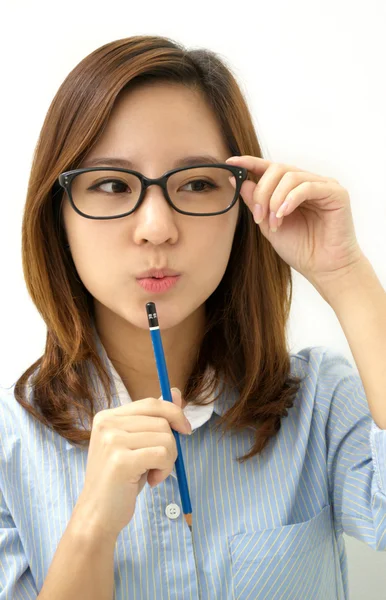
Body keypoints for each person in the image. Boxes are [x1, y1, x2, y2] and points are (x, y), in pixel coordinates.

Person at [0, 34, 385, 600]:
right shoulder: (9, 448)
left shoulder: (318, 408)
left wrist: (347, 276)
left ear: (243, 207)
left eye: (198, 183)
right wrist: (90, 531)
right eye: (111, 184)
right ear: (58, 215)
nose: (156, 227)